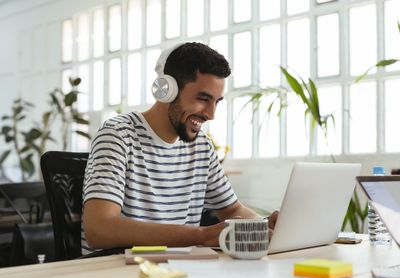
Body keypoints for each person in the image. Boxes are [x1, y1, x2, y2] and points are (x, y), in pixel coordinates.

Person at [82, 42, 278, 254]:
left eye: (216, 102)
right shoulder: (118, 135)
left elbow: (232, 209)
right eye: (203, 98)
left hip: (179, 269)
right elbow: (99, 229)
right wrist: (202, 236)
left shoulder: (201, 146)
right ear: (166, 90)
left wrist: (266, 226)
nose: (211, 114)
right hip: (115, 270)